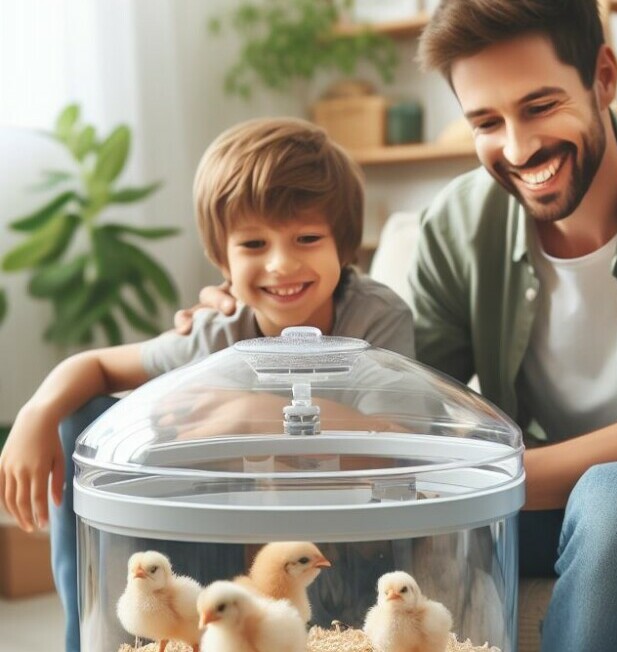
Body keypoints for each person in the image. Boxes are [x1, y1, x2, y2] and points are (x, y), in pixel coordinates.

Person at [180, 2, 617, 650]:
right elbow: (399, 403)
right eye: (486, 121)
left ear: (605, 76)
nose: (517, 146)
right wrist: (250, 332)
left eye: (539, 107)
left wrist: (481, 477)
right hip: (524, 503)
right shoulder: (458, 221)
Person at [0, 117, 414, 652]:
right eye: (253, 243)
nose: (281, 263)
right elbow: (98, 367)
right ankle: (88, 641)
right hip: (224, 553)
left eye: (307, 238)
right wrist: (35, 416)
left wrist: (254, 412)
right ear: (222, 259)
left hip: (345, 555)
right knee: (79, 419)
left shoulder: (376, 320)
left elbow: (395, 444)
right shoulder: (220, 330)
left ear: (345, 244)